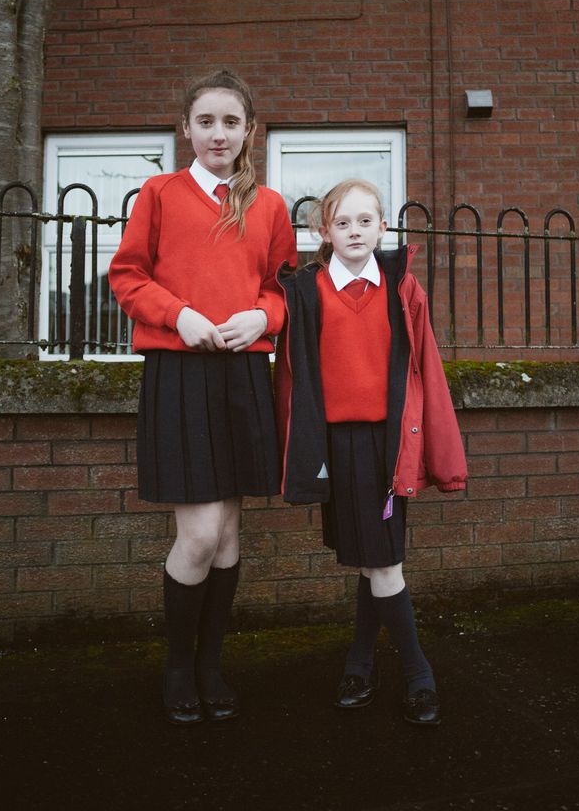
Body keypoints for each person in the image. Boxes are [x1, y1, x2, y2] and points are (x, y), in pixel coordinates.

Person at [109, 70, 297, 726]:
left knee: (229, 535)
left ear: (249, 131)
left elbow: (282, 290)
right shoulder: (158, 194)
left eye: (231, 122)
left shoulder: (269, 206)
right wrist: (178, 315)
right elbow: (126, 275)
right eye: (206, 121)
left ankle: (211, 665)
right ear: (186, 129)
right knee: (199, 535)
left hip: (244, 374)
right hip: (179, 371)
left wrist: (263, 319)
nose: (219, 133)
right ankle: (176, 666)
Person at [275, 179, 467, 726]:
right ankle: (359, 664)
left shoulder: (401, 286)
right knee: (369, 559)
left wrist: (439, 447)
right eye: (342, 222)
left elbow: (425, 366)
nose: (355, 231)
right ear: (323, 232)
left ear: (384, 227)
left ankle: (418, 675)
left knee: (382, 562)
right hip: (334, 446)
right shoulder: (305, 291)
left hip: (388, 446)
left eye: (365, 221)